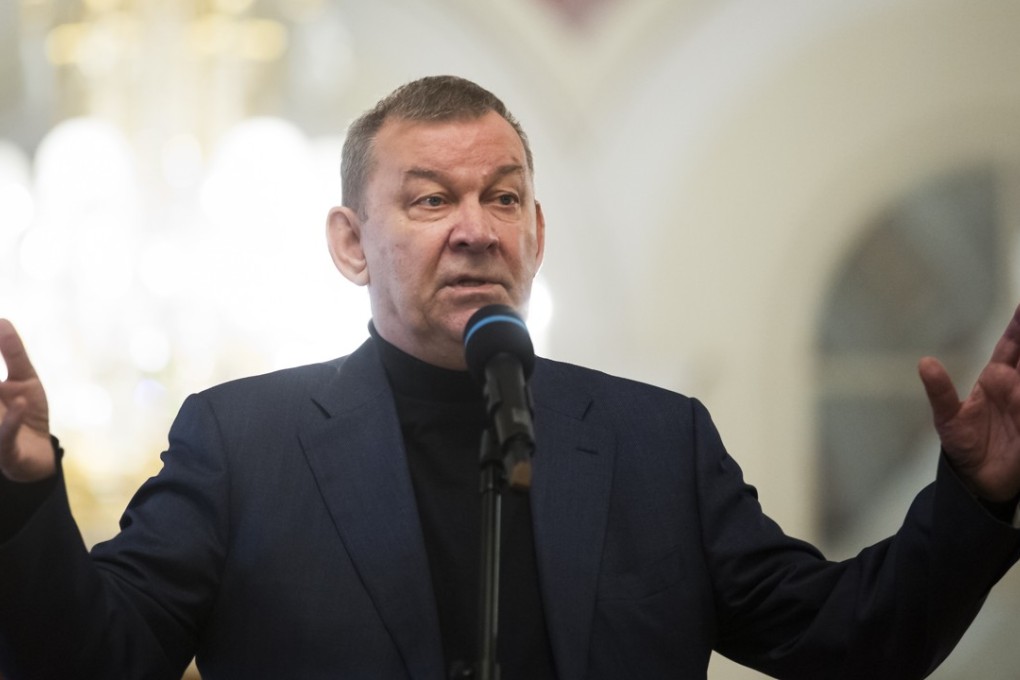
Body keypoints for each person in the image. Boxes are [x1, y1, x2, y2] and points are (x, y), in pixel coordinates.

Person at [1, 75, 1020, 680]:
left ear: (536, 232)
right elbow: (97, 663)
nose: (476, 227)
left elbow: (848, 642)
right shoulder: (242, 441)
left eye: (503, 195)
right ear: (351, 244)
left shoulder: (655, 442)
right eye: (431, 198)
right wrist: (20, 494)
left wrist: (976, 497)